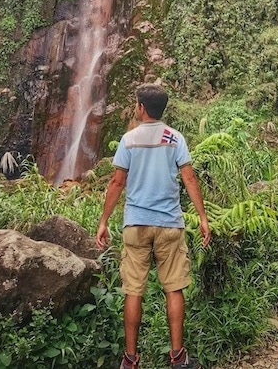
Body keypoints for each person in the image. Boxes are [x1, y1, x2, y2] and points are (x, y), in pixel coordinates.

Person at [96, 83, 211, 369]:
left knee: (134, 291)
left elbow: (117, 182)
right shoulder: (176, 138)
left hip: (135, 224)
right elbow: (190, 179)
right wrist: (203, 218)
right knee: (174, 289)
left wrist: (103, 221)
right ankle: (177, 357)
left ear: (141, 108)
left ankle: (131, 360)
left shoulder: (129, 140)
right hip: (169, 224)